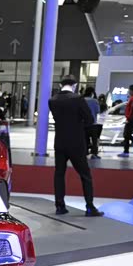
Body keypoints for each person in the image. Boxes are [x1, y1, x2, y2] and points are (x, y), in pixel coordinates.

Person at [48, 75, 103, 216]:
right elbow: (89, 120)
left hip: (60, 142)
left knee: (59, 174)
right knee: (85, 175)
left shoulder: (52, 100)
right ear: (75, 85)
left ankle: (60, 206)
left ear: (61, 85)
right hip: (76, 143)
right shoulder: (78, 99)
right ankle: (90, 207)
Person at [83, 86, 101, 159]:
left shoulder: (81, 100)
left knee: (85, 139)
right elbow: (98, 111)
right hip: (93, 123)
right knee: (94, 140)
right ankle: (94, 153)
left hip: (83, 123)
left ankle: (85, 152)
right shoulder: (95, 101)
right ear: (92, 93)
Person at [118, 84, 133, 157]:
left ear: (132, 90)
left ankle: (126, 152)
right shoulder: (132, 98)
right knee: (127, 135)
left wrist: (129, 118)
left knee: (126, 135)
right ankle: (126, 151)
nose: (128, 91)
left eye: (129, 90)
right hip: (131, 118)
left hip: (131, 119)